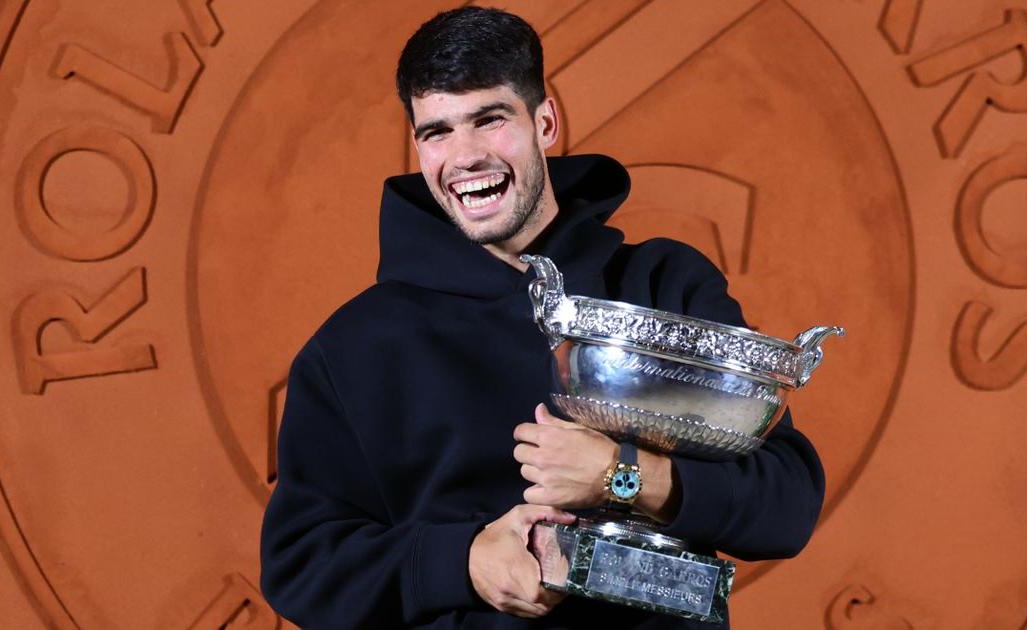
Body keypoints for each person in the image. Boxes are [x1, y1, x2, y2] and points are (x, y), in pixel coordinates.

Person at [259, 6, 824, 628]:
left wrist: (622, 476)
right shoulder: (355, 346)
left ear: (545, 122)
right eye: (437, 132)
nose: (465, 155)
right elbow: (301, 565)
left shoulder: (664, 284)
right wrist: (463, 561)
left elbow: (787, 503)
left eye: (490, 120)